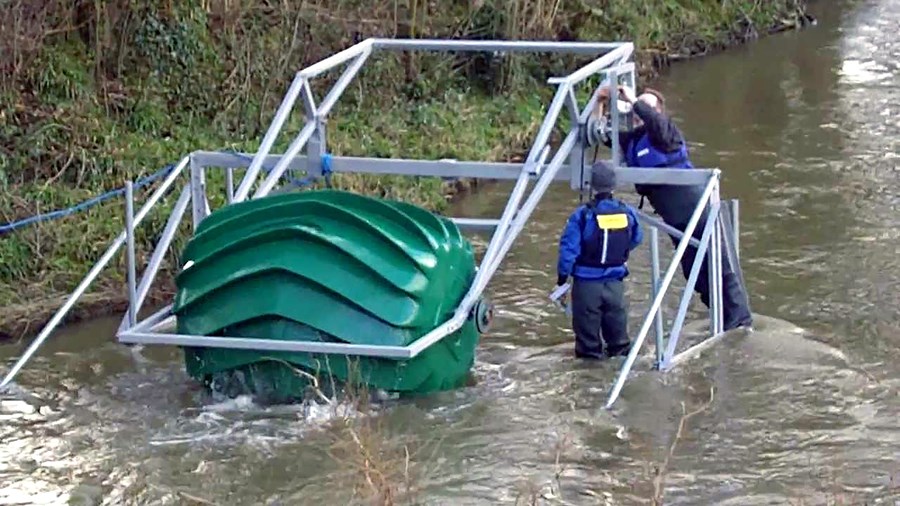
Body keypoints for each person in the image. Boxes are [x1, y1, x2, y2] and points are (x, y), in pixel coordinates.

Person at [597, 84, 753, 331]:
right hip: (673, 217)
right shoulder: (633, 141)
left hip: (695, 207)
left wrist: (635, 99)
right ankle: (722, 319)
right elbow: (600, 134)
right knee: (694, 273)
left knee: (716, 263)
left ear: (658, 111)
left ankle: (741, 320)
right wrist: (600, 102)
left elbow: (655, 123)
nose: (638, 111)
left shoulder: (667, 134)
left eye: (646, 106)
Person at [556, 162, 643, 359]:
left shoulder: (582, 215)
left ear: (591, 185)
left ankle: (591, 375)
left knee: (588, 348)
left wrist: (562, 279)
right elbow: (637, 238)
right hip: (615, 285)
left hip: (586, 285)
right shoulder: (627, 212)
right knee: (619, 345)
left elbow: (568, 251)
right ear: (614, 185)